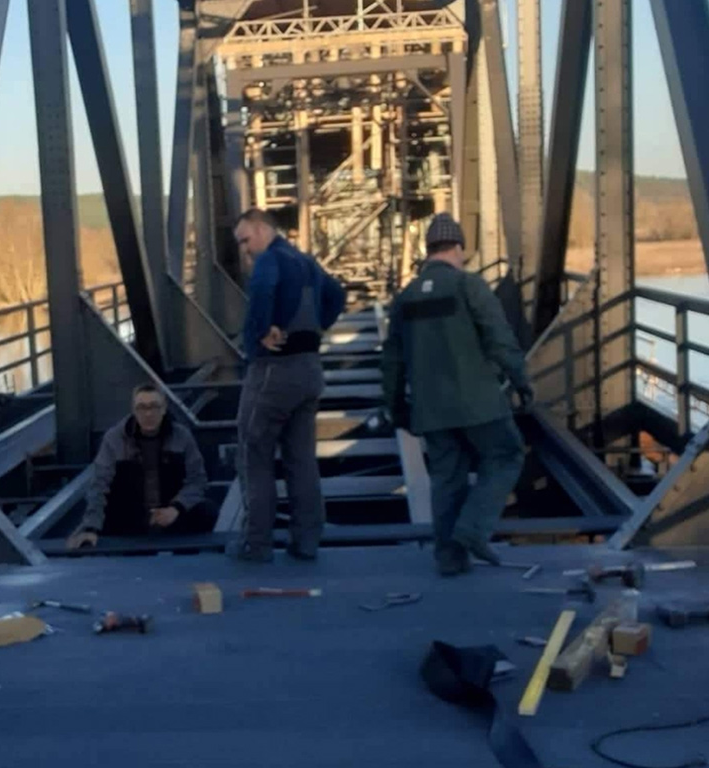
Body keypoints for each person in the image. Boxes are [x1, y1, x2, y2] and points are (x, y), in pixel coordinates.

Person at [381, 213, 534, 576]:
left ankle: (449, 558)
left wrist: (396, 408)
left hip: (431, 411)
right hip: (479, 403)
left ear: (428, 250)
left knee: (446, 479)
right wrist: (522, 381)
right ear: (458, 248)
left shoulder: (406, 298)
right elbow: (500, 340)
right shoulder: (470, 286)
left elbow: (392, 362)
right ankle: (473, 529)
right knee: (507, 455)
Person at [226, 208, 347, 562]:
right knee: (301, 459)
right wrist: (315, 330)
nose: (245, 249)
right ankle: (306, 541)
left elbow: (263, 289)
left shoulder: (269, 259)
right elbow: (336, 295)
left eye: (245, 239)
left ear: (263, 230)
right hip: (310, 369)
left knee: (254, 454)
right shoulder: (306, 261)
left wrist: (262, 332)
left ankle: (257, 544)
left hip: (273, 372)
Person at [66, 383, 215, 549]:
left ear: (164, 409)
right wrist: (91, 527)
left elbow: (198, 480)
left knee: (206, 511)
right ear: (134, 411)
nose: (148, 413)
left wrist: (176, 508)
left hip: (170, 513)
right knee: (103, 520)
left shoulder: (182, 436)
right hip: (130, 516)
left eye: (154, 407)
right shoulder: (114, 439)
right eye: (142, 407)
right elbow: (99, 485)